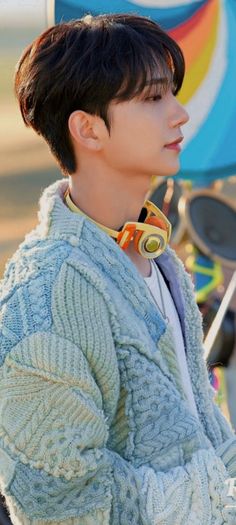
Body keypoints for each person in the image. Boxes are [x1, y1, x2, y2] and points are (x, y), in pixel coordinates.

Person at [0, 13, 236, 525]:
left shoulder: (158, 259)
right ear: (87, 128)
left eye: (172, 93)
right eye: (153, 99)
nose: (180, 113)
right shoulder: (49, 287)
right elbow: (54, 499)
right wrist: (211, 500)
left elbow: (198, 429)